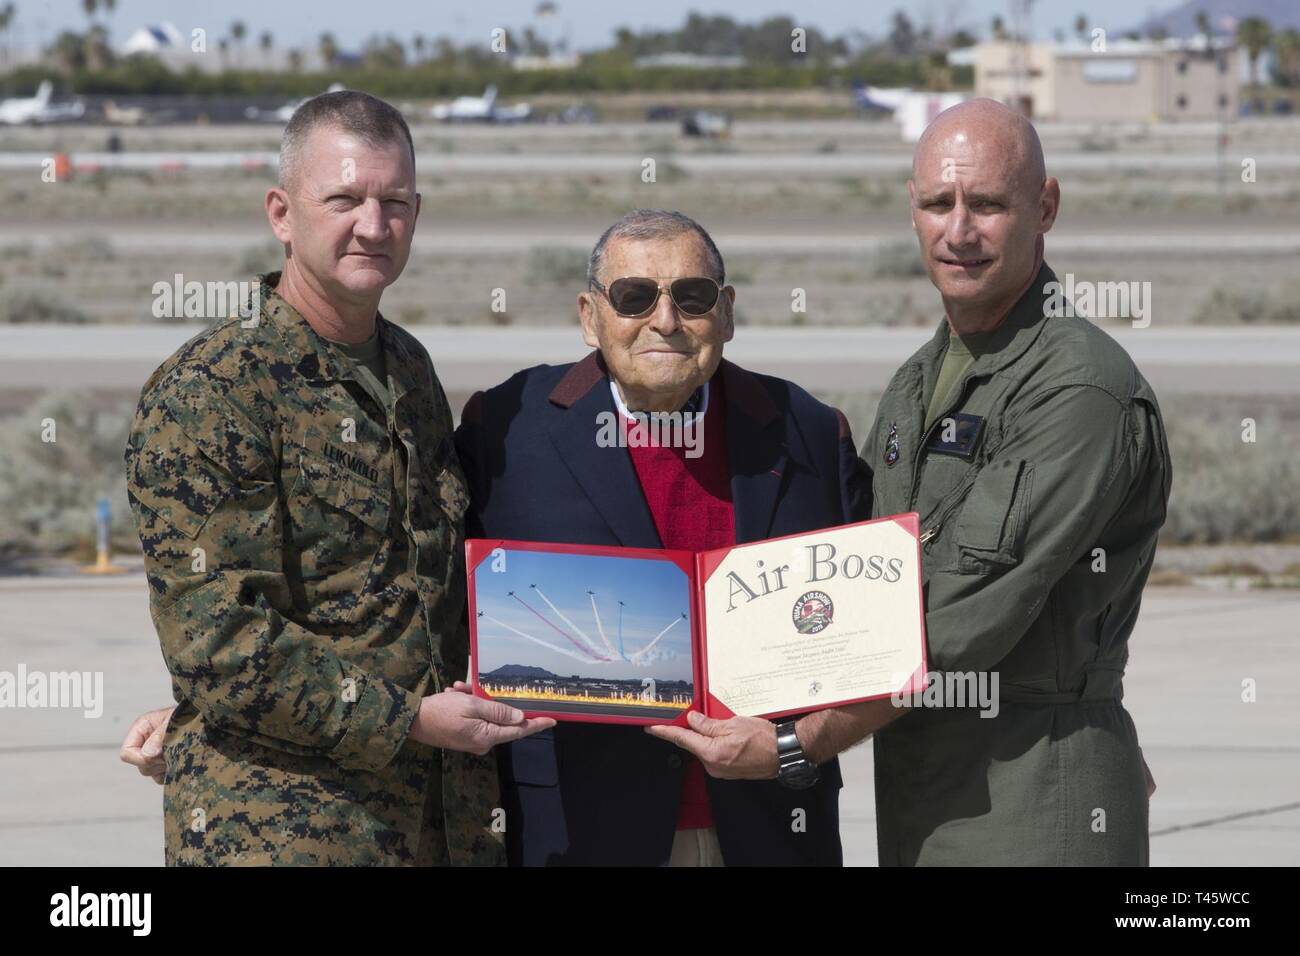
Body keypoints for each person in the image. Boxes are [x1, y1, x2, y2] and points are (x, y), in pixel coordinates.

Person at [660, 98, 1170, 865]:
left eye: (988, 204)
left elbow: (947, 626)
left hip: (1032, 803)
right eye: (938, 203)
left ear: (1047, 207)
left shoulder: (1077, 390)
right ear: (912, 209)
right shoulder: (921, 381)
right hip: (927, 800)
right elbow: (858, 572)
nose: (958, 230)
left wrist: (797, 743)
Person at [121, 90, 551, 866]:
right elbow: (217, 640)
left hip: (439, 823)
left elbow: (422, 589)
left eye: (394, 202)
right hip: (286, 830)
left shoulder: (408, 370)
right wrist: (409, 720)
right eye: (345, 199)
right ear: (282, 214)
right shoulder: (214, 391)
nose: (373, 225)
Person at [455, 209, 867, 866]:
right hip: (576, 837)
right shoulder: (505, 429)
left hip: (769, 830)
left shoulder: (810, 432)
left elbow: (876, 646)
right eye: (635, 297)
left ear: (726, 314)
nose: (666, 320)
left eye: (692, 297)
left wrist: (796, 744)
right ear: (590, 316)